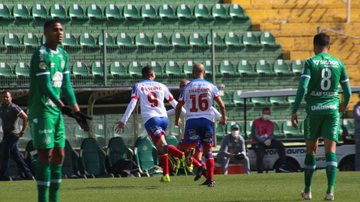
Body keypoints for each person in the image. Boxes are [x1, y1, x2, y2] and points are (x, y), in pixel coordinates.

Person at [29, 20, 91, 202]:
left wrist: (77, 111)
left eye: (61, 29)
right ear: (45, 32)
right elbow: (45, 86)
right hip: (42, 111)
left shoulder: (63, 54)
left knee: (60, 155)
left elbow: (67, 85)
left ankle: (54, 199)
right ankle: (43, 199)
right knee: (45, 155)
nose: (60, 33)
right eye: (55, 30)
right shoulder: (41, 54)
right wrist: (62, 106)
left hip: (56, 112)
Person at [115, 66, 205, 182]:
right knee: (161, 148)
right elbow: (174, 103)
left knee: (163, 145)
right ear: (153, 75)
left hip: (152, 119)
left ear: (143, 76)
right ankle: (166, 175)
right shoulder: (162, 86)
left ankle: (184, 157)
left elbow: (133, 103)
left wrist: (123, 120)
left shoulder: (138, 86)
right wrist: (186, 115)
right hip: (164, 119)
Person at [291, 33, 351, 201]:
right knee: (330, 151)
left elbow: (302, 88)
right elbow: (347, 92)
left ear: (314, 46)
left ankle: (308, 191)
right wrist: (343, 105)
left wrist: (294, 110)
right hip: (332, 110)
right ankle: (330, 192)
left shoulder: (310, 62)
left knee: (311, 150)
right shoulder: (338, 63)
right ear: (329, 47)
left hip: (314, 111)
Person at [175, 63, 227, 187]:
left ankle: (200, 166)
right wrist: (224, 117)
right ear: (204, 72)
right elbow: (221, 104)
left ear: (193, 73)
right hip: (207, 121)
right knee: (208, 151)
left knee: (183, 149)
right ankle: (211, 180)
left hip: (192, 121)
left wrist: (177, 120)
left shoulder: (188, 87)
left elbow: (179, 106)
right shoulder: (211, 86)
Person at [0, 91, 33, 181]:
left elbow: (25, 117)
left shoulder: (14, 107)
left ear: (11, 98)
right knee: (17, 157)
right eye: (3, 97)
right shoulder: (2, 108)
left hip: (13, 135)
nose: (5, 98)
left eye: (7, 97)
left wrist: (22, 131)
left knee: (5, 154)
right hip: (6, 135)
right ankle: (29, 175)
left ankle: (2, 176)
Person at [251, 107, 289, 173]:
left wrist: (269, 140)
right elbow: (255, 135)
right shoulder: (256, 122)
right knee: (260, 155)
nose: (266, 115)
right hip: (257, 143)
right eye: (265, 113)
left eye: (268, 113)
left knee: (280, 145)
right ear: (262, 114)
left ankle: (283, 165)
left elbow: (271, 134)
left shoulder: (270, 123)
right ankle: (260, 172)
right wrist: (263, 141)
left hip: (267, 142)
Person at [354, 93, 360, 171]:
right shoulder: (357, 107)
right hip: (359, 133)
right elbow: (358, 117)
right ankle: (358, 169)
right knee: (359, 153)